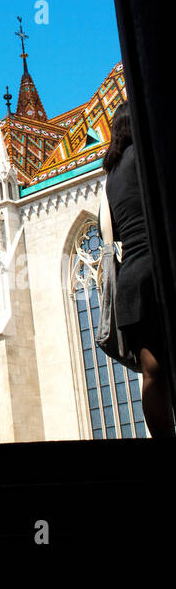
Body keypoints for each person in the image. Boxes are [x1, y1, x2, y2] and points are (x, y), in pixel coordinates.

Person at [101, 101, 174, 438]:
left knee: (151, 374)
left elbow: (109, 231)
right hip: (155, 273)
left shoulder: (110, 176)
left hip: (130, 282)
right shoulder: (142, 158)